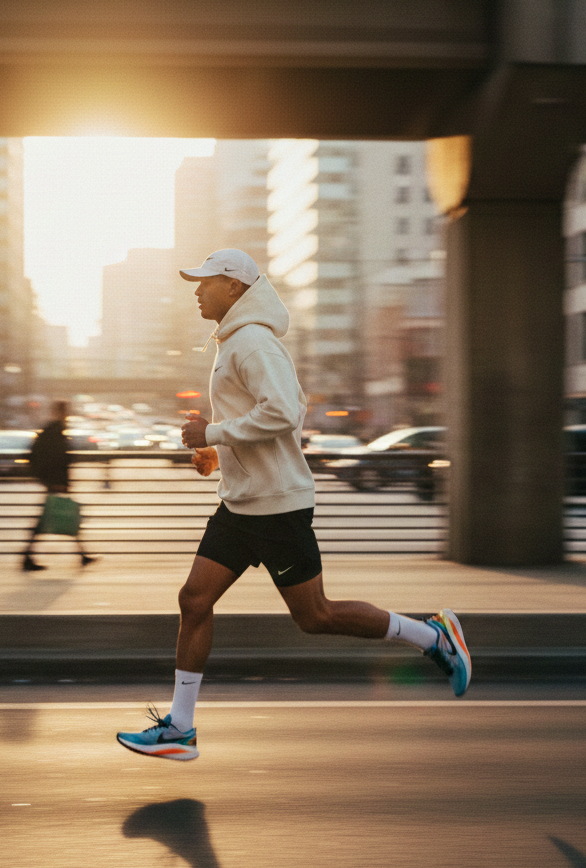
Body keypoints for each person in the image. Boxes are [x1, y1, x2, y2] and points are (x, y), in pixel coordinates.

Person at [116, 249, 470, 761]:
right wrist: (219, 453)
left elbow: (283, 412)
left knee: (316, 616)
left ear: (234, 287)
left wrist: (212, 431)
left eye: (205, 282)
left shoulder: (254, 343)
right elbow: (272, 416)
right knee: (194, 600)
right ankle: (181, 728)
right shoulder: (237, 341)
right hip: (241, 507)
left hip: (277, 510)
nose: (196, 291)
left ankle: (432, 636)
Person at [22, 399, 97, 571]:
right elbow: (55, 458)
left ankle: (82, 555)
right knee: (60, 517)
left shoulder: (54, 430)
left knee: (57, 517)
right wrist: (55, 481)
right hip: (55, 483)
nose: (67, 416)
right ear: (61, 413)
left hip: (54, 482)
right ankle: (27, 557)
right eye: (65, 412)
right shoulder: (54, 431)